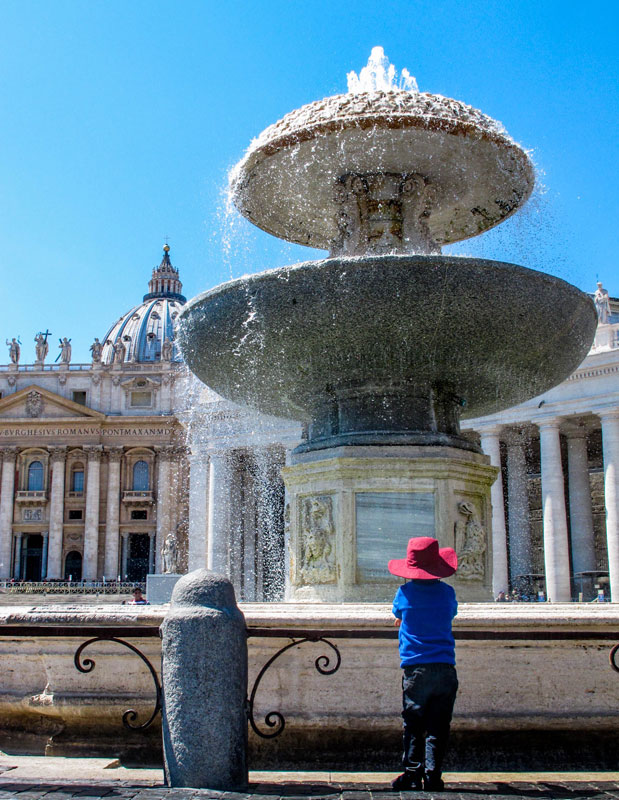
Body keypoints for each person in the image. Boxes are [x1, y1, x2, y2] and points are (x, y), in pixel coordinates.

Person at [389, 536, 458, 792]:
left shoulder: (405, 593)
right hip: (444, 667)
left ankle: (411, 773)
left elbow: (398, 613)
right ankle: (433, 776)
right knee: (438, 726)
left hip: (416, 668)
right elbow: (450, 612)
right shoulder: (447, 593)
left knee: (413, 723)